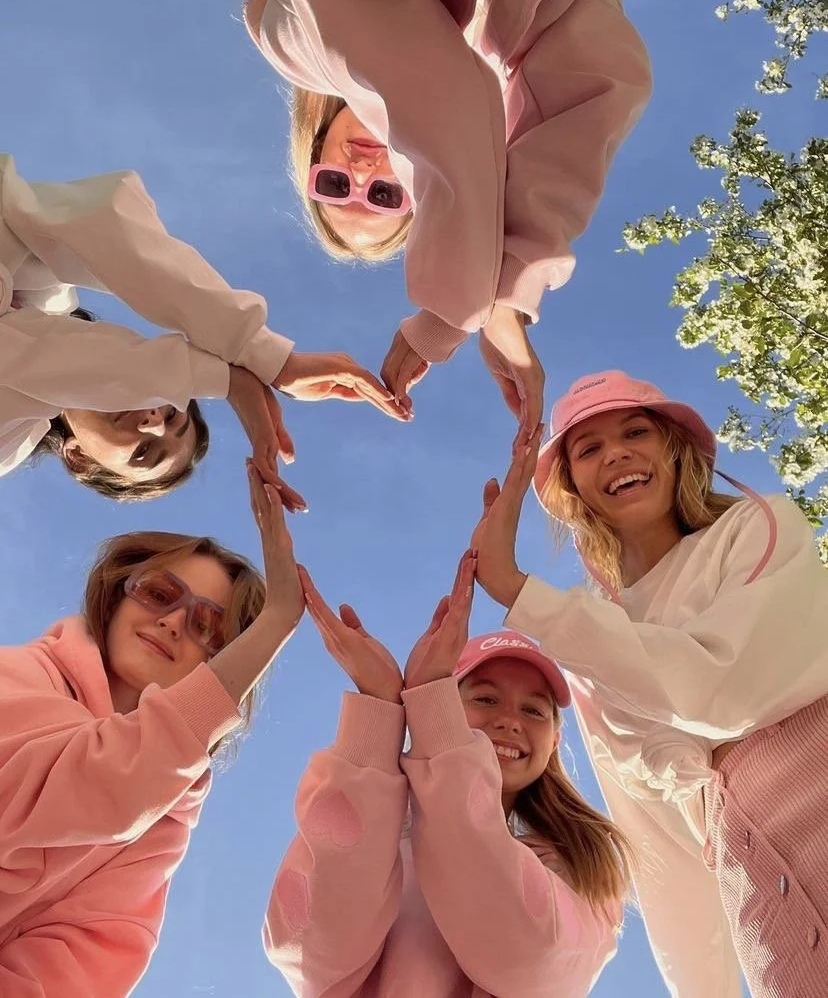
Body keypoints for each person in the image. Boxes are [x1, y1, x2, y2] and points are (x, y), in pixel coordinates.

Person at [472, 369, 828, 998]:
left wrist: (520, 594)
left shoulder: (759, 529)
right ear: (574, 488)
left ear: (674, 449)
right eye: (588, 448)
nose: (617, 452)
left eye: (636, 430)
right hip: (752, 884)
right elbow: (653, 841)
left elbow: (731, 687)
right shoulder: (592, 642)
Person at [239, 0, 652, 432]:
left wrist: (452, 311)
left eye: (333, 185)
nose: (357, 174)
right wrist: (507, 284)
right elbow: (589, 90)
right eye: (383, 195)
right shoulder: (490, 29)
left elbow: (434, 89)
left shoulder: (292, 36)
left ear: (311, 150)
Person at [262, 550, 631, 996]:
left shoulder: (584, 858)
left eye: (533, 710)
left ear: (554, 741)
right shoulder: (378, 834)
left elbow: (529, 957)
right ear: (439, 713)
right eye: (485, 699)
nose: (510, 721)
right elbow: (310, 949)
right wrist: (377, 710)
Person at [0, 464, 305, 997]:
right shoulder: (19, 677)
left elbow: (79, 963)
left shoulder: (164, 826)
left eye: (208, 627)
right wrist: (277, 619)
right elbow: (81, 779)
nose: (174, 623)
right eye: (160, 593)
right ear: (116, 594)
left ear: (221, 664)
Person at [0, 153, 409, 500]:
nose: (155, 422)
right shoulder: (46, 292)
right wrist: (257, 353)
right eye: (174, 406)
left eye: (144, 452)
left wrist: (228, 376)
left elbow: (21, 357)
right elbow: (95, 225)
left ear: (80, 460)